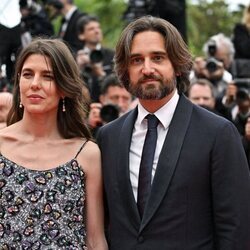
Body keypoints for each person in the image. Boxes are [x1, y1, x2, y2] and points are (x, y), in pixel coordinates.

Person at [96, 15, 250, 250]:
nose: (147, 69)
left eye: (157, 58)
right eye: (137, 60)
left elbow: (236, 229)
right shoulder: (108, 137)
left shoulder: (218, 133)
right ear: (126, 70)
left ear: (177, 65)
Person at [0, 38, 108, 249]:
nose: (35, 84)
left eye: (48, 76)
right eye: (28, 74)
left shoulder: (86, 153)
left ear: (65, 88)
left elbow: (95, 239)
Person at [76, 15, 115, 102]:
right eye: (91, 29)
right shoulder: (75, 58)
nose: (97, 31)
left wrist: (100, 73)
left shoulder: (112, 55)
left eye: (98, 28)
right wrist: (77, 69)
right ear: (81, 35)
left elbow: (117, 85)